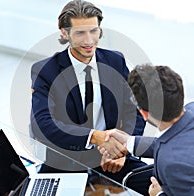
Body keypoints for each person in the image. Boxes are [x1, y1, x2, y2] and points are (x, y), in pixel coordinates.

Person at [30, 0, 151, 194]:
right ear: (64, 32)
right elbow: (44, 124)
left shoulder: (115, 61)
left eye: (94, 31)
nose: (89, 41)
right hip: (66, 158)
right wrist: (96, 137)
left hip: (113, 155)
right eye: (80, 33)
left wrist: (123, 148)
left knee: (160, 183)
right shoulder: (45, 71)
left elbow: (134, 109)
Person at [98, 64, 194, 195]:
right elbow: (176, 143)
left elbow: (177, 154)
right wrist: (129, 142)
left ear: (144, 114)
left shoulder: (174, 165)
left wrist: (158, 194)